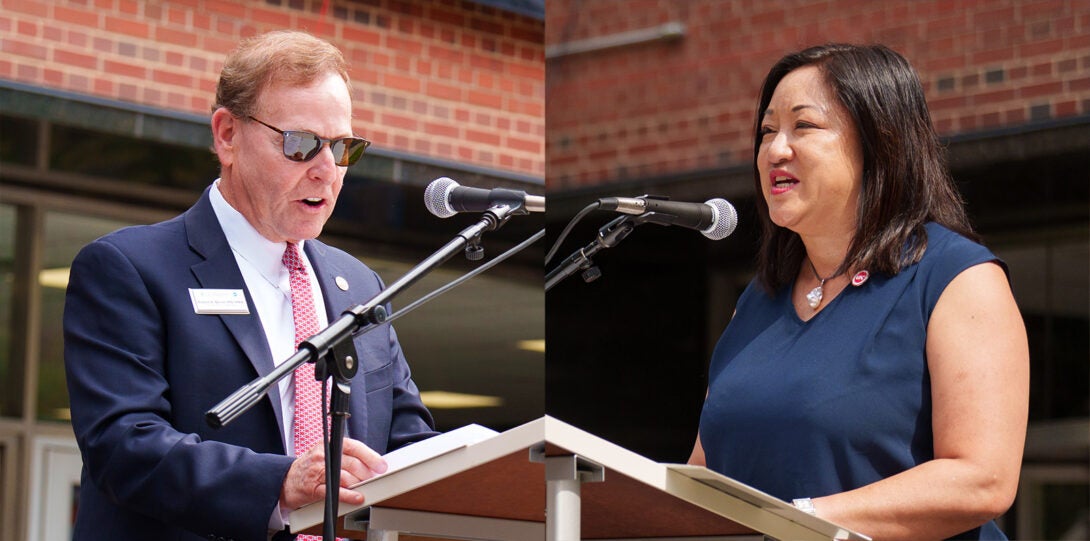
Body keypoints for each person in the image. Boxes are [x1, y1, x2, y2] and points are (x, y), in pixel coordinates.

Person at [63, 30, 437, 540]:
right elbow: (124, 445)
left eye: (343, 147)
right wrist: (278, 483)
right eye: (301, 144)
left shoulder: (359, 288)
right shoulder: (128, 268)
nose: (326, 171)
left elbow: (408, 445)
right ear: (227, 136)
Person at [688, 44, 1028, 540]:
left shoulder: (957, 278)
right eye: (766, 131)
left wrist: (798, 520)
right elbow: (706, 471)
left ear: (879, 143)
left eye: (803, 127)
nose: (776, 149)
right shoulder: (757, 302)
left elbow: (982, 480)